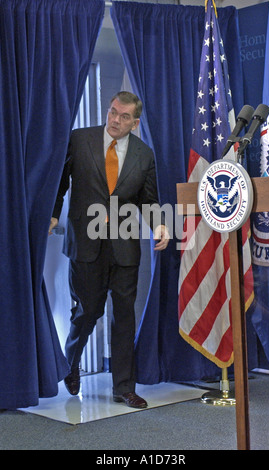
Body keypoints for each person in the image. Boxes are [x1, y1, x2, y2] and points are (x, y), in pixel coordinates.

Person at [49, 91, 169, 409]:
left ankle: (123, 387)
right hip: (86, 244)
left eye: (124, 116)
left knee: (124, 316)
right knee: (87, 312)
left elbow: (149, 199)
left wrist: (159, 223)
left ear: (135, 122)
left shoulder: (144, 155)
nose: (115, 120)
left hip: (125, 245)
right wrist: (52, 213)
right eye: (113, 112)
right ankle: (70, 364)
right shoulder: (79, 139)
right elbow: (58, 180)